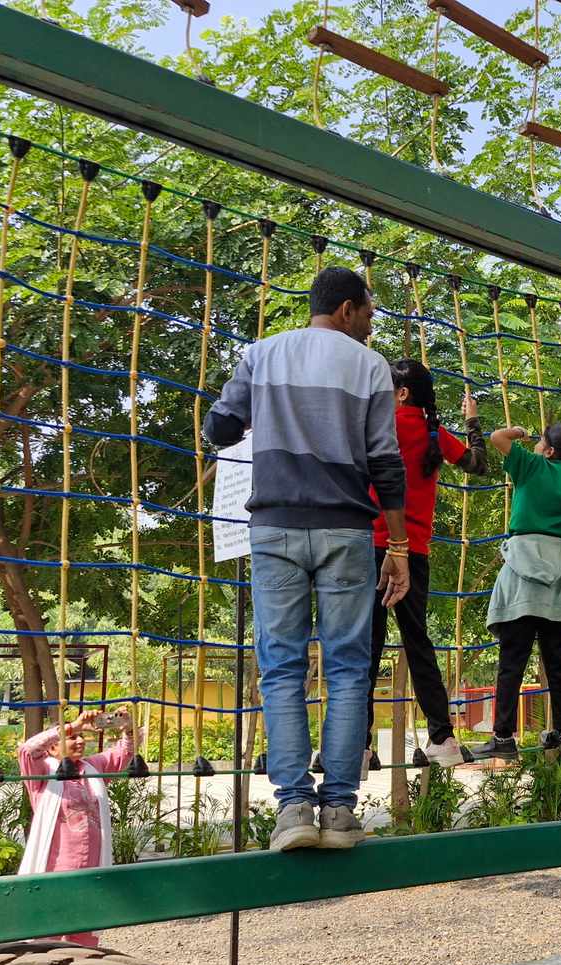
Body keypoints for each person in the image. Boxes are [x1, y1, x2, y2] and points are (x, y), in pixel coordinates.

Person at [203, 266, 409, 852]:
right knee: (348, 667)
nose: (369, 325)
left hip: (275, 529)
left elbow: (219, 428)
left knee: (281, 667)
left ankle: (293, 808)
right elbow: (385, 464)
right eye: (367, 313)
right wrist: (397, 547)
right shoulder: (369, 366)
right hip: (347, 530)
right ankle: (340, 810)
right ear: (346, 310)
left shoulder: (261, 354)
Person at [366, 359, 489, 768]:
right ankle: (443, 737)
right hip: (414, 551)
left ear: (401, 393)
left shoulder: (379, 424)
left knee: (366, 645)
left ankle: (359, 744)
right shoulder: (437, 435)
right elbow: (477, 465)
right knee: (418, 642)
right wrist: (473, 423)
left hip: (373, 546)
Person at [476, 421, 561, 759]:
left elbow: (496, 437)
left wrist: (520, 432)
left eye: (540, 442)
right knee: (558, 662)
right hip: (558, 574)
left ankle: (504, 738)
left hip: (523, 569)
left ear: (549, 451)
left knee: (512, 661)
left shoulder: (532, 465)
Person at [18, 707, 140, 947]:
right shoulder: (42, 772)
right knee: (49, 929)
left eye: (83, 737)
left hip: (92, 865)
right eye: (73, 738)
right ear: (53, 746)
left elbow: (125, 751)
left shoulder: (92, 768)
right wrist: (72, 726)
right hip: (56, 867)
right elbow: (26, 750)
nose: (81, 740)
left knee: (84, 930)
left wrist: (127, 725)